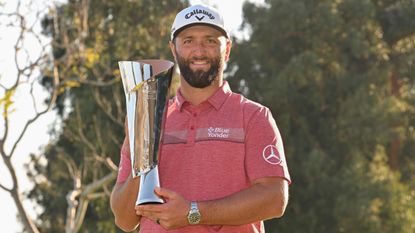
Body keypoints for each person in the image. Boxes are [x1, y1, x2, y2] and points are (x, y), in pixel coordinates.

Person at [110, 4, 291, 233]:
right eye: (188, 41)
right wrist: (143, 152)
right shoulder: (147, 118)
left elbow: (275, 199)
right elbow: (125, 220)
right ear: (173, 50)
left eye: (210, 40)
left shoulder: (254, 116)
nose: (199, 50)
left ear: (227, 50)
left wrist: (193, 213)